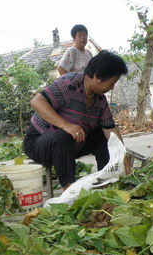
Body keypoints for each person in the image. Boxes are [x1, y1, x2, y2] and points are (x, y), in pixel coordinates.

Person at [24, 50, 131, 189]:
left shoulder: (100, 100)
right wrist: (65, 125)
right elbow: (37, 102)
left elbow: (110, 130)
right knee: (62, 136)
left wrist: (123, 156)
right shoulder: (69, 82)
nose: (112, 88)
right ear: (97, 77)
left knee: (104, 136)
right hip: (39, 143)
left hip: (73, 146)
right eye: (112, 83)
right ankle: (69, 191)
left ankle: (107, 183)